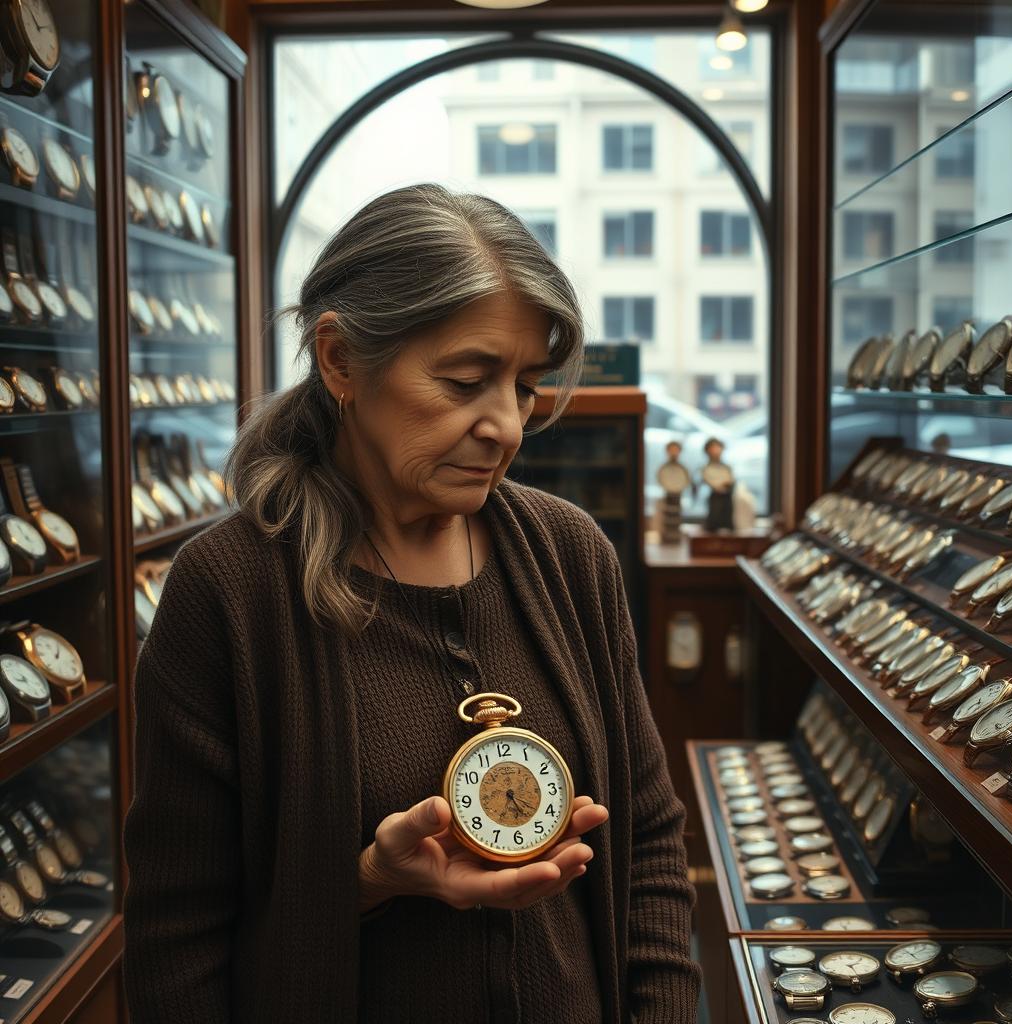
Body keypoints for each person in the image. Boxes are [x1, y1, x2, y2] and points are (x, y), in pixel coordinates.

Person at [122, 182, 701, 1023]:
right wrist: (364, 884)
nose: (506, 424)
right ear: (341, 361)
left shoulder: (572, 557)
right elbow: (177, 943)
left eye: (526, 386)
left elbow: (647, 848)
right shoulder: (230, 592)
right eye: (466, 381)